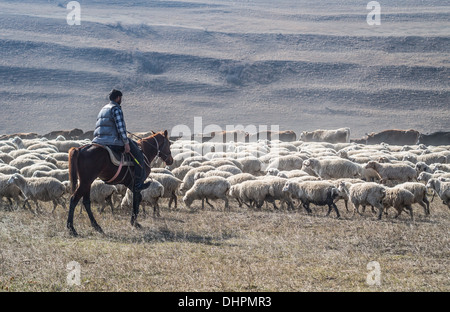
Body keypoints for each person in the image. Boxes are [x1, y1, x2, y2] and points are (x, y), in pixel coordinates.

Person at [92, 89, 150, 191]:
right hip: (112, 141)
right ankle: (138, 183)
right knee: (139, 155)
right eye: (121, 98)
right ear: (118, 98)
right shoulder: (116, 109)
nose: (121, 100)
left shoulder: (104, 108)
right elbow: (120, 127)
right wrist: (126, 142)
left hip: (98, 140)